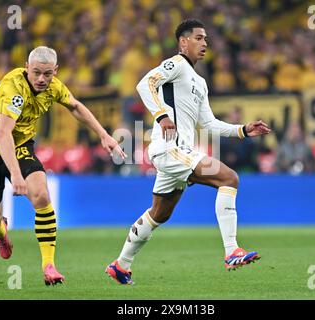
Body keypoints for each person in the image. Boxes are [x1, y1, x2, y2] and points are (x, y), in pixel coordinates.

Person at [105, 19, 271, 285]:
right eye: (198, 38)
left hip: (178, 152)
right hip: (170, 149)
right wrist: (161, 116)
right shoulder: (177, 64)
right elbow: (144, 84)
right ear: (183, 42)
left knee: (160, 213)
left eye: (206, 39)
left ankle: (121, 265)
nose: (204, 43)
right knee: (229, 178)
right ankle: (232, 251)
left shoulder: (200, 82)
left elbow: (209, 123)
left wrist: (242, 130)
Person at [0, 46, 126, 285]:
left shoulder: (53, 86)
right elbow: (2, 134)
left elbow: (75, 105)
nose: (42, 79)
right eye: (36, 73)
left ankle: (49, 265)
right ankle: (1, 233)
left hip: (20, 145)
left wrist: (104, 135)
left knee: (41, 195)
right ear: (27, 68)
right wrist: (15, 175)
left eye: (48, 73)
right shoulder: (15, 90)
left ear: (56, 71)